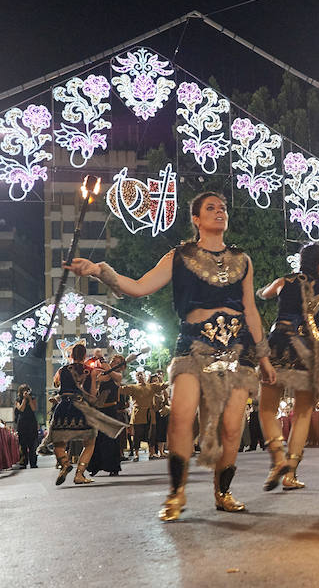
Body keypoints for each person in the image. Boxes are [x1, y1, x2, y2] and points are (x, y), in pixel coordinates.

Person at [65, 191, 276, 521]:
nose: (219, 212)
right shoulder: (179, 256)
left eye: (222, 208)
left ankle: (223, 492)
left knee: (232, 428)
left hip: (236, 350)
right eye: (210, 208)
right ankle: (177, 493)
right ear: (196, 219)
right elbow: (138, 286)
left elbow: (250, 309)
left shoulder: (243, 261)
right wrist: (97, 270)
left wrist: (263, 357)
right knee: (180, 415)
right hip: (193, 345)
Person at [257, 242, 319, 491]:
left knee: (267, 408)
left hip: (279, 343)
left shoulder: (284, 281)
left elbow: (264, 294)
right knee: (302, 412)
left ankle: (277, 459)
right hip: (308, 350)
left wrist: (268, 288)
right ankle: (290, 473)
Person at [49, 344, 127, 486]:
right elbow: (92, 394)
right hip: (81, 407)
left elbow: (56, 384)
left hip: (63, 407)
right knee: (89, 443)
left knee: (59, 442)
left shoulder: (61, 370)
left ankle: (65, 464)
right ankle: (79, 474)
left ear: (71, 356)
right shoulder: (91, 371)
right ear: (84, 356)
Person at [87, 355, 127, 476]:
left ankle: (113, 467)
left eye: (117, 362)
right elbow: (93, 392)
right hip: (99, 409)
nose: (113, 362)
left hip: (111, 410)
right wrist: (95, 378)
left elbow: (113, 374)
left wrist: (106, 365)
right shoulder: (102, 374)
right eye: (113, 360)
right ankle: (95, 466)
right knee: (97, 439)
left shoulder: (118, 376)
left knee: (111, 439)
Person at [120, 371, 166, 461]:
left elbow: (163, 386)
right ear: (136, 378)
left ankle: (152, 453)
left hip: (150, 413)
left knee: (151, 434)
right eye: (138, 375)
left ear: (145, 376)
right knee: (137, 435)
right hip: (138, 413)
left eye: (142, 374)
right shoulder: (133, 387)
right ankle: (136, 454)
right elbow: (121, 389)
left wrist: (164, 378)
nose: (140, 376)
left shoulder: (151, 386)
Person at [15, 384, 38, 468]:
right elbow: (21, 409)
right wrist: (24, 399)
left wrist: (29, 399)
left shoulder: (33, 398)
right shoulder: (18, 400)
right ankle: (23, 462)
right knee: (23, 443)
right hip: (22, 422)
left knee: (32, 444)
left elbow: (34, 408)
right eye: (23, 390)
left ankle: (33, 463)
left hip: (31, 422)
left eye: (26, 390)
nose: (25, 392)